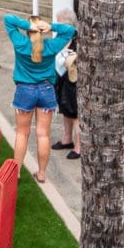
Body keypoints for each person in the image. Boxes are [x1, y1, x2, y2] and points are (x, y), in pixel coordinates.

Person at [3, 9, 60, 179]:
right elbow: (70, 31)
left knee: (22, 133)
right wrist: (50, 27)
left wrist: (29, 25)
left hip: (24, 91)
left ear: (28, 31)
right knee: (43, 134)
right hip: (46, 90)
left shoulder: (21, 43)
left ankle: (17, 171)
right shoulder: (51, 46)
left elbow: (8, 19)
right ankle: (42, 173)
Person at [50, 12, 83, 159]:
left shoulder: (77, 40)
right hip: (62, 80)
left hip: (73, 81)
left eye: (59, 24)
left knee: (74, 114)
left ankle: (79, 147)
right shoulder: (62, 38)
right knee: (65, 110)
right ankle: (67, 138)